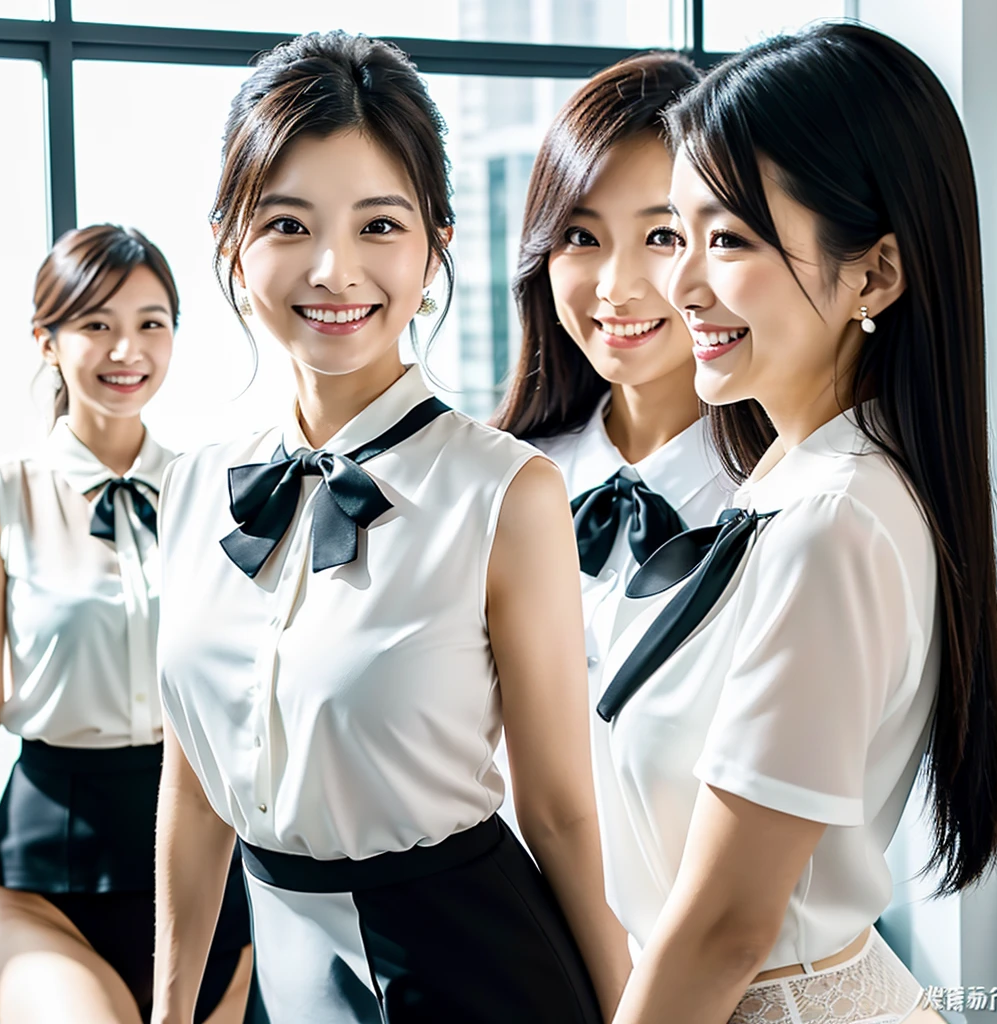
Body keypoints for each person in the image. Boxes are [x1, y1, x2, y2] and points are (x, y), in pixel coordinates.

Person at [152, 31, 631, 1024]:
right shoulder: (193, 487)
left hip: (472, 975)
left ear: (433, 245)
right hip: (285, 976)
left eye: (379, 225)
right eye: (289, 223)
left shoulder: (505, 493)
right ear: (233, 243)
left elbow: (559, 812)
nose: (335, 269)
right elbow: (194, 797)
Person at [596, 23, 997, 1024]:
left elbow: (729, 923)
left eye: (729, 239)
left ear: (872, 275)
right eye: (677, 234)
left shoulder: (835, 516)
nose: (678, 285)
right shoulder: (795, 471)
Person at [0, 225, 252, 1023]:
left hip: (211, 865)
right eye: (96, 323)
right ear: (47, 340)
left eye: (151, 322)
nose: (125, 349)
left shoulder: (215, 492)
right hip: (48, 871)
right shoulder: (5, 494)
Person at [493, 52, 731, 854]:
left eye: (661, 235)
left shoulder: (776, 502)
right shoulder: (500, 480)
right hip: (510, 934)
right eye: (580, 237)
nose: (616, 287)